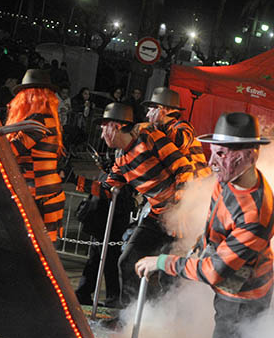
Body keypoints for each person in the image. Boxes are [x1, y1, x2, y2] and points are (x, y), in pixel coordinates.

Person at [136, 112, 274, 338]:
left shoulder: (256, 210)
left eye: (221, 154)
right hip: (230, 289)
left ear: (249, 156)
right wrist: (197, 248)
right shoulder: (226, 178)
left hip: (244, 301)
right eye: (213, 151)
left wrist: (163, 262)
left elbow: (214, 271)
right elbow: (213, 226)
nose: (212, 161)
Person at [81, 102, 192, 308]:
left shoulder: (148, 136)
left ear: (116, 125)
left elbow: (184, 168)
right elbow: (106, 190)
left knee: (171, 277)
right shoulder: (120, 156)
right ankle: (131, 318)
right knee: (128, 261)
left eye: (104, 126)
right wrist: (76, 179)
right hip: (157, 214)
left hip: (182, 214)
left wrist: (179, 208)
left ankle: (165, 323)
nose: (101, 131)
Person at [4, 69, 66, 242]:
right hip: (45, 196)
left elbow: (10, 150)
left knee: (32, 255)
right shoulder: (46, 119)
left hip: (38, 198)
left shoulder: (38, 122)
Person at [143, 86, 211, 180]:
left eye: (151, 110)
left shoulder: (184, 126)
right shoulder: (160, 132)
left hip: (197, 182)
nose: (147, 115)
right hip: (184, 184)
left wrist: (163, 120)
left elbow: (182, 142)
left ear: (162, 109)